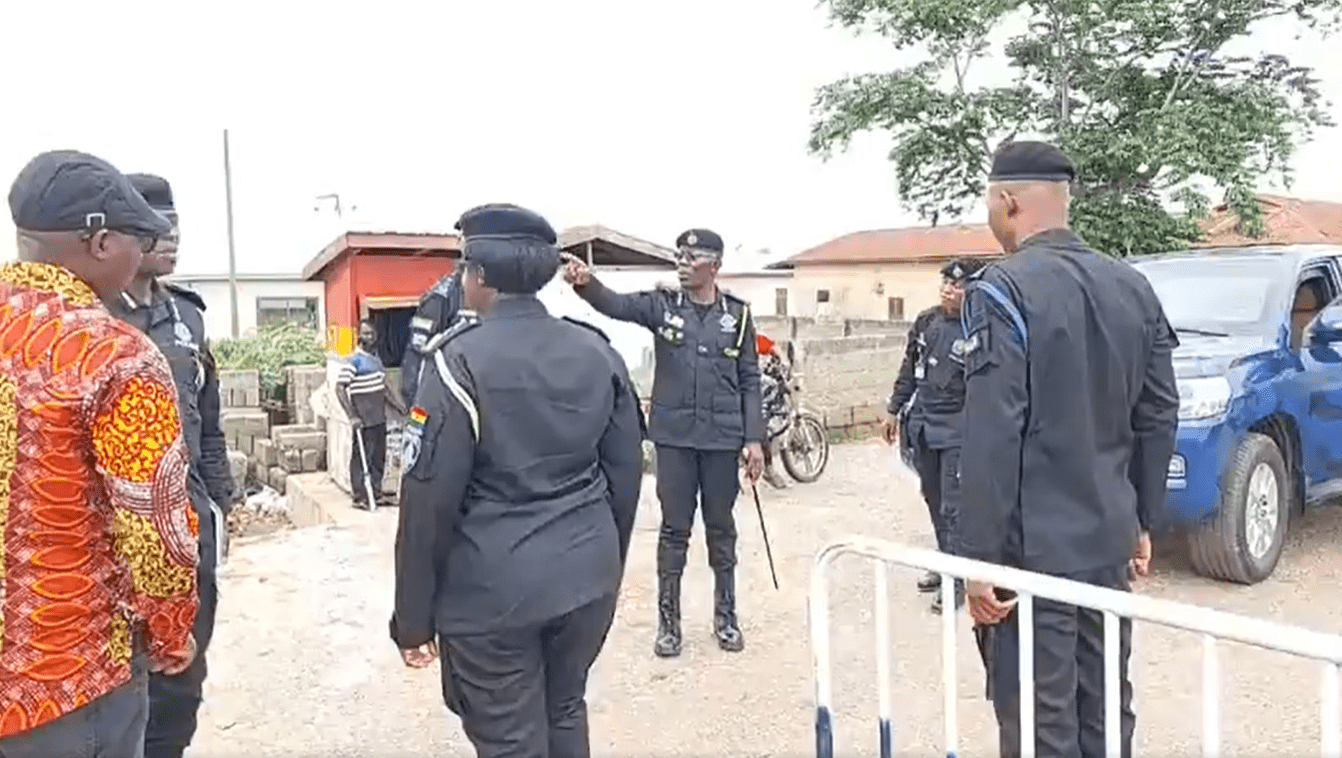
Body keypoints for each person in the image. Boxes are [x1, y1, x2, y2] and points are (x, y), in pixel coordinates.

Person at [390, 203, 643, 758]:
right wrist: (606, 564)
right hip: (586, 582)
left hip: (493, 598)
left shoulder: (456, 363)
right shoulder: (598, 352)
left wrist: (412, 619)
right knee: (565, 711)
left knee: (511, 739)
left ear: (479, 276)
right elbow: (625, 477)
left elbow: (427, 503)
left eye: (464, 268)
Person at [957, 141, 1179, 758]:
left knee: (1040, 722)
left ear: (1007, 201)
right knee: (1106, 709)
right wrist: (1141, 518)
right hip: (1107, 543)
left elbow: (994, 428)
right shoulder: (1133, 286)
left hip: (1031, 553)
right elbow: (1159, 412)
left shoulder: (1001, 288)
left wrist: (980, 557)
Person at [1, 149, 200, 758]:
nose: (144, 253)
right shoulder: (113, 354)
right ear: (101, 242)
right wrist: (172, 630)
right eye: (139, 239)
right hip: (68, 677)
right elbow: (156, 525)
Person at [562, 228, 765, 658]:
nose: (683, 264)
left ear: (715, 266)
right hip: (675, 440)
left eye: (693, 258)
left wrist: (754, 438)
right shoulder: (662, 306)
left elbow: (749, 379)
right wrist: (586, 284)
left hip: (721, 440)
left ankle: (726, 618)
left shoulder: (738, 316)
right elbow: (616, 305)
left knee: (721, 528)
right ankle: (668, 625)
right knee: (674, 531)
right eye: (679, 256)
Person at [110, 172, 235, 758]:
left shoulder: (187, 318)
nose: (171, 237)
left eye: (175, 225)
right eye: (156, 227)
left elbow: (208, 420)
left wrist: (221, 503)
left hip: (187, 523)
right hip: (115, 531)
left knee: (182, 679)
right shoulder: (90, 318)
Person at [880, 257, 985, 614]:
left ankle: (958, 579)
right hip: (923, 426)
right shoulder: (927, 321)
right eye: (945, 283)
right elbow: (909, 368)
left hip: (959, 429)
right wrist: (894, 410)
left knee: (954, 507)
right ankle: (945, 562)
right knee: (933, 498)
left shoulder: (979, 328)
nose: (949, 290)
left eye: (957, 285)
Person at [336, 319, 408, 509]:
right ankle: (360, 496)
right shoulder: (354, 360)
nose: (369, 337)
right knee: (362, 458)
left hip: (379, 418)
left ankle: (376, 492)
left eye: (372, 334)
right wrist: (352, 416)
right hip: (363, 420)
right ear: (359, 336)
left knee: (378, 457)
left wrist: (400, 407)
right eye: (365, 333)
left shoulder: (376, 360)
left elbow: (385, 388)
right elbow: (340, 388)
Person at [400, 266, 475, 406]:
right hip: (436, 390)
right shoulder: (439, 300)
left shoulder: (479, 296)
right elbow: (417, 349)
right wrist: (414, 402)